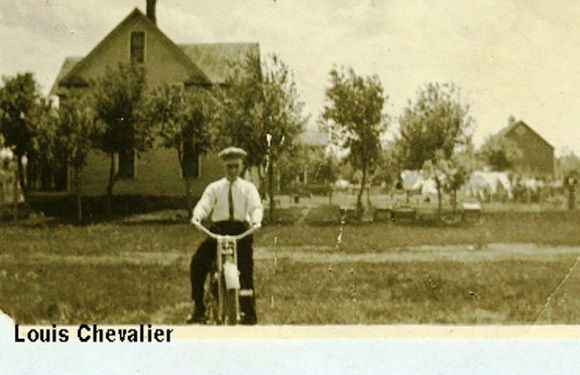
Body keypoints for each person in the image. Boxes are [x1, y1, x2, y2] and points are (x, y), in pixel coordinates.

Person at [187, 147, 263, 325]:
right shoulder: (215, 188)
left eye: (236, 166)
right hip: (218, 230)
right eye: (229, 167)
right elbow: (204, 204)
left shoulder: (248, 188)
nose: (233, 170)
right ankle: (199, 307)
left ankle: (248, 312)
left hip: (241, 231)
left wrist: (256, 221)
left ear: (242, 166)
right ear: (224, 167)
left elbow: (255, 207)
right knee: (197, 263)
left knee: (246, 269)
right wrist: (197, 216)